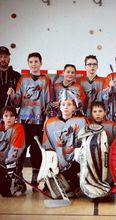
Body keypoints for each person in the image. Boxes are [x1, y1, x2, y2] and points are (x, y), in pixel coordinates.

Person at [7, 52, 51, 188]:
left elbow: (49, 101)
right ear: (28, 64)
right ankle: (18, 176)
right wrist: (13, 95)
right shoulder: (23, 79)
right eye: (31, 61)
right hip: (24, 120)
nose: (33, 64)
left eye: (36, 61)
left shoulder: (46, 80)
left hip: (38, 121)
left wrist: (47, 118)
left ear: (40, 63)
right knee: (21, 149)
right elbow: (17, 102)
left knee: (36, 150)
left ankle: (35, 176)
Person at [42, 90, 87, 196]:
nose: (66, 107)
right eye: (63, 104)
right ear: (59, 107)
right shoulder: (50, 123)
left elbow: (84, 143)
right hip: (57, 160)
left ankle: (75, 182)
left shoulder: (82, 121)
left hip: (75, 160)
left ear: (74, 107)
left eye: (69, 104)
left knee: (72, 184)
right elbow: (47, 145)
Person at [0, 106, 26, 197]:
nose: (8, 118)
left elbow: (15, 149)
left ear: (15, 117)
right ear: (2, 117)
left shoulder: (18, 128)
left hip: (9, 165)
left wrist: (9, 164)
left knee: (6, 193)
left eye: (11, 116)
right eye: (6, 116)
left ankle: (18, 183)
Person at [0, 46, 21, 112]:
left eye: (5, 56)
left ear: (9, 59)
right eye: (0, 56)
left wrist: (13, 95)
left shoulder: (17, 75)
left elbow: (20, 98)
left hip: (10, 115)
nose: (3, 59)